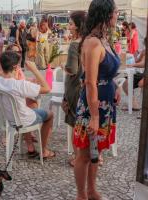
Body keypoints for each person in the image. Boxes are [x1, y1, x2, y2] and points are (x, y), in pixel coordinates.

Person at [73, 1, 120, 199]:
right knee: (84, 154)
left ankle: (92, 190)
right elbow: (91, 82)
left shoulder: (103, 38)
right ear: (106, 14)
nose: (118, 15)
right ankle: (81, 195)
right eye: (116, 12)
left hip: (105, 104)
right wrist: (93, 116)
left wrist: (115, 87)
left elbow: (103, 73)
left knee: (96, 150)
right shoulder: (93, 42)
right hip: (93, 106)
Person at [0, 51, 55, 159]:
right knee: (50, 115)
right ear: (16, 67)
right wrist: (34, 70)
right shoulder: (20, 85)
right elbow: (47, 88)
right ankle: (44, 151)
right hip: (23, 119)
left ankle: (31, 147)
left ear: (1, 66)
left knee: (28, 108)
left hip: (10, 120)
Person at [61, 11, 86, 167]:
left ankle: (78, 159)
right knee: (86, 123)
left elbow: (72, 69)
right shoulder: (91, 41)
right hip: (88, 87)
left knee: (74, 122)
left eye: (70, 24)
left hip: (75, 87)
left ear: (78, 25)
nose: (69, 27)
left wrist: (64, 67)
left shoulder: (75, 44)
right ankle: (94, 156)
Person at [122, 37, 146, 110]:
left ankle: (138, 105)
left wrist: (133, 65)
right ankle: (133, 104)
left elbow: (143, 64)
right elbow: (138, 61)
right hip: (143, 74)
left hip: (145, 75)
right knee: (126, 82)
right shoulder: (144, 51)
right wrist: (132, 57)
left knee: (141, 83)